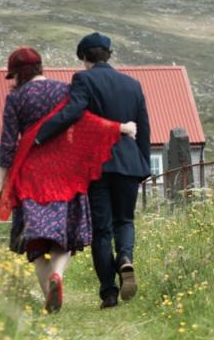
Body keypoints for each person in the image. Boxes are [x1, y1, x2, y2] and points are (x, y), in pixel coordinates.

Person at [0, 47, 135, 313]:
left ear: (18, 75)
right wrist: (119, 128)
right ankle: (58, 275)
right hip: (64, 174)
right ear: (40, 68)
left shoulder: (15, 100)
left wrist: (1, 183)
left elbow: (7, 145)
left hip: (30, 174)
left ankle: (49, 293)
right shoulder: (63, 91)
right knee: (62, 237)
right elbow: (84, 120)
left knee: (36, 241)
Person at [33, 32, 151, 309]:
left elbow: (73, 113)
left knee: (102, 230)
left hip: (98, 165)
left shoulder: (83, 79)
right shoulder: (133, 85)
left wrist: (40, 134)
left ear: (84, 58)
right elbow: (143, 128)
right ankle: (125, 258)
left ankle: (108, 293)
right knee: (125, 221)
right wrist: (143, 164)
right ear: (109, 55)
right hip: (130, 162)